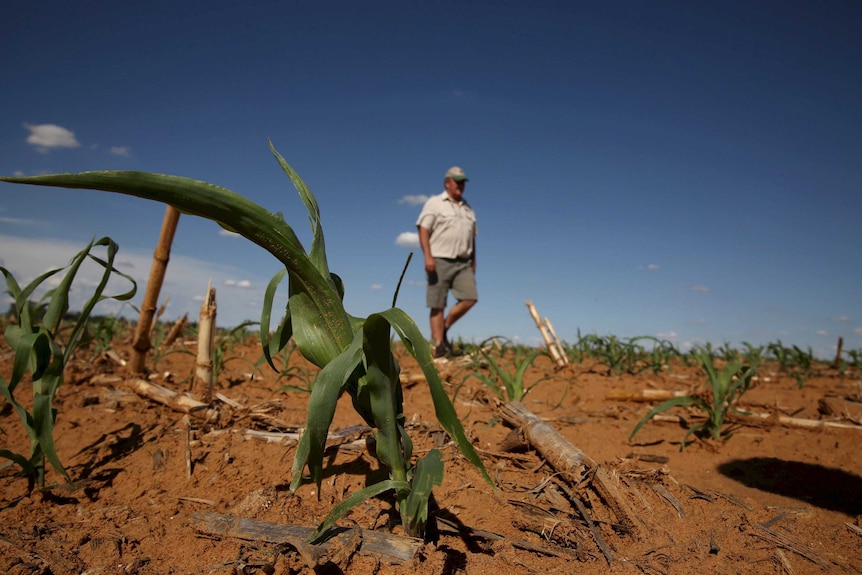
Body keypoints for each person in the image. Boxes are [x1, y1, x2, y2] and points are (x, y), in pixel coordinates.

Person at [416, 166, 478, 359]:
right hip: (439, 259)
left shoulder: (468, 209)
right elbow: (423, 229)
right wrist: (428, 256)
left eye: (463, 182)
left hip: (463, 262)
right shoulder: (435, 203)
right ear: (447, 182)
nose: (460, 185)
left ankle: (443, 328)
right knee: (438, 304)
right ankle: (439, 346)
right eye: (457, 181)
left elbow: (472, 238)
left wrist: (473, 261)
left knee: (470, 298)